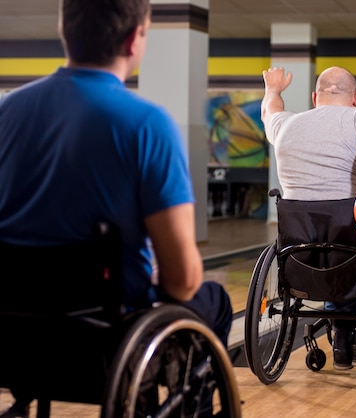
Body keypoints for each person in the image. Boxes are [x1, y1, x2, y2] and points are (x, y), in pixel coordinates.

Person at [0, 1, 232, 416]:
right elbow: (181, 281)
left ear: (64, 31)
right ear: (133, 39)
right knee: (212, 298)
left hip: (13, 334)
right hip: (105, 340)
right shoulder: (145, 124)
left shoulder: (7, 112)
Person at [261, 66, 356, 370]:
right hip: (353, 246)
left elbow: (270, 111)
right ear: (355, 98)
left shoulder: (285, 125)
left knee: (337, 244)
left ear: (315, 97)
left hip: (301, 253)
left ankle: (341, 332)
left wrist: (274, 90)